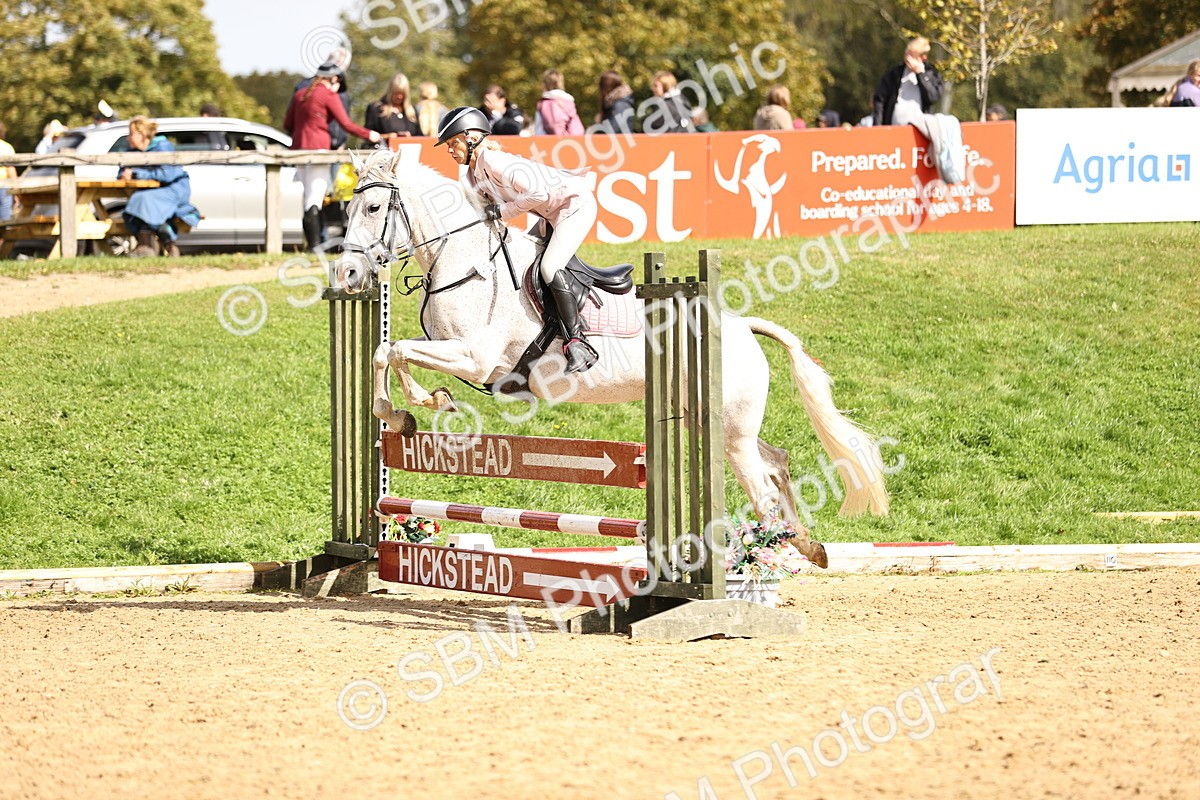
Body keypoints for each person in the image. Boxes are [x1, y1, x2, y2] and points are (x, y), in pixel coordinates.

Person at [435, 106, 599, 373]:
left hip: (574, 205)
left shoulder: (494, 162)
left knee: (549, 267)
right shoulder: (474, 173)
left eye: (453, 143)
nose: (450, 151)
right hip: (551, 213)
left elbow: (539, 194)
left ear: (471, 137)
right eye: (448, 146)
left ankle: (577, 342)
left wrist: (503, 211)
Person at [285, 62, 384, 250]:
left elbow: (287, 124)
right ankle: (314, 247)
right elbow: (346, 124)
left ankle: (312, 244)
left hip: (298, 149)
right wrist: (368, 134)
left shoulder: (300, 94)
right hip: (318, 149)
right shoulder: (328, 95)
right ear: (335, 79)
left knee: (308, 197)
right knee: (314, 197)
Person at [118, 116, 198, 258]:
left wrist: (136, 174)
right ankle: (166, 245)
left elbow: (167, 174)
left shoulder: (162, 147)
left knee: (142, 200)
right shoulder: (132, 152)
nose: (128, 138)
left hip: (174, 189)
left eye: (131, 134)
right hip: (152, 192)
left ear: (142, 134)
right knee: (140, 202)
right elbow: (123, 170)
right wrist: (125, 174)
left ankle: (146, 246)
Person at [872, 36, 945, 126]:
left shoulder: (932, 74)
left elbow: (932, 97)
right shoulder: (895, 73)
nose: (908, 59)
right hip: (894, 127)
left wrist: (920, 74)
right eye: (907, 54)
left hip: (921, 129)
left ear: (923, 58)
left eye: (912, 56)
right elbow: (879, 100)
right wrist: (878, 126)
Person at [364, 73, 421, 143]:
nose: (399, 96)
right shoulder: (376, 109)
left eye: (402, 93)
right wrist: (387, 137)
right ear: (390, 91)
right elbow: (367, 135)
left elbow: (420, 136)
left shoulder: (413, 112)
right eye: (396, 93)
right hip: (384, 148)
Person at [534, 69, 585, 136]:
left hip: (549, 141)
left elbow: (550, 127)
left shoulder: (547, 102)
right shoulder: (569, 101)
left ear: (544, 84)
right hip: (571, 140)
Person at [0, 121, 15, 223]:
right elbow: (11, 169)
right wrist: (16, 188)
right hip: (4, 185)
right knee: (5, 219)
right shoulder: (6, 147)